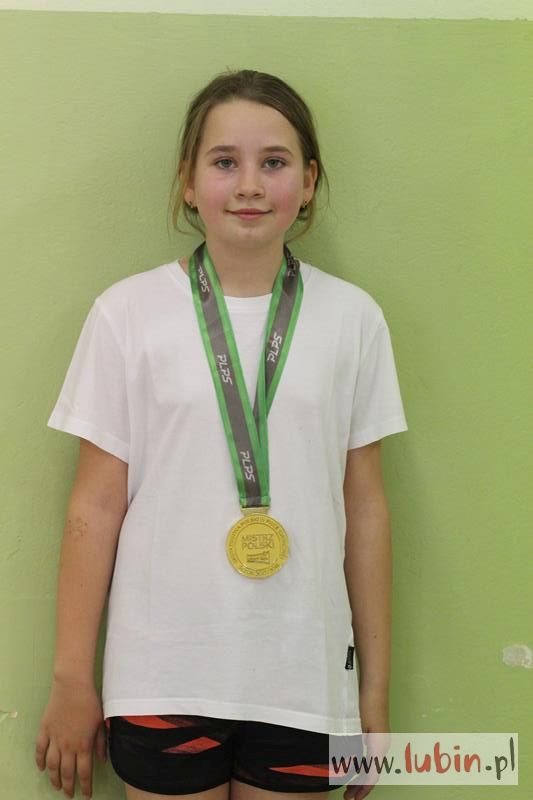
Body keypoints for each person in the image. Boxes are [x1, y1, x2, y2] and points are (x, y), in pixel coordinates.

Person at [35, 69, 407, 800]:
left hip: (304, 681)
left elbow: (365, 508)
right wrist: (72, 679)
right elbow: (95, 506)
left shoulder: (353, 319)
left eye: (274, 162)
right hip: (161, 673)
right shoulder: (126, 314)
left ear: (308, 181)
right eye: (225, 161)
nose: (249, 185)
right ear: (188, 181)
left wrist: (372, 699)